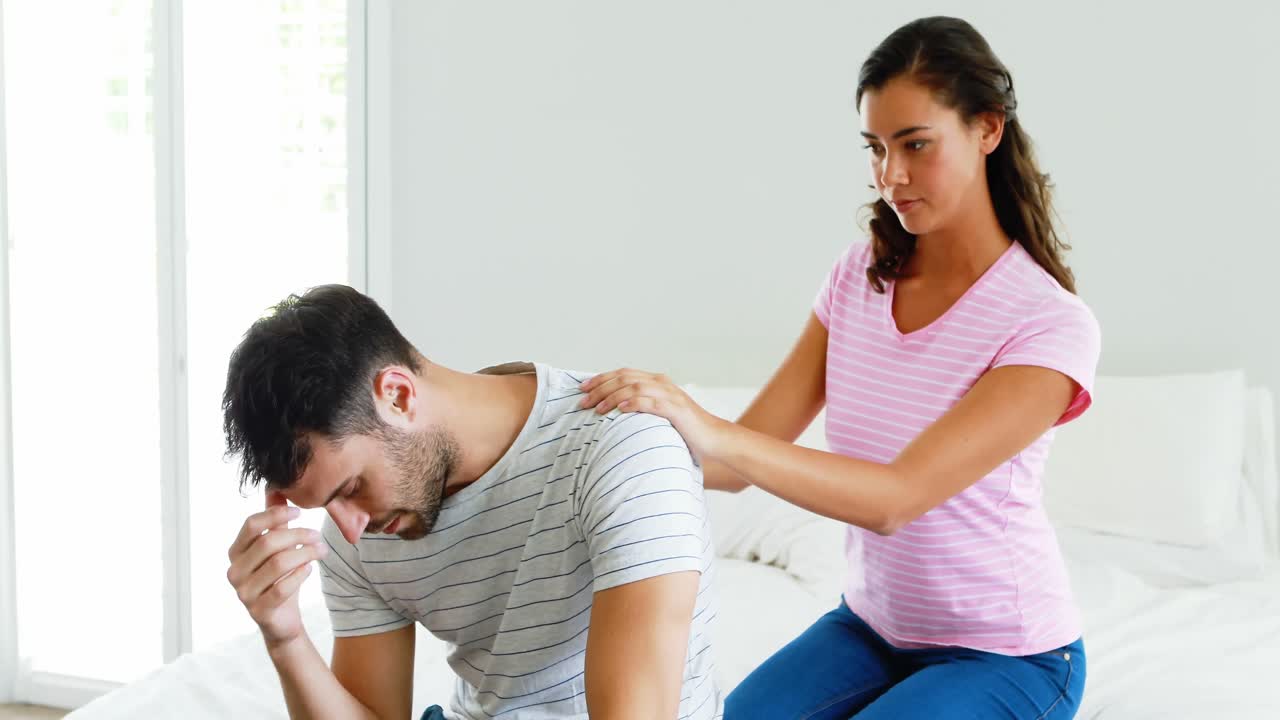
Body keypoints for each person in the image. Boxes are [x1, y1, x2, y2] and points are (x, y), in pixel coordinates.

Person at [578, 16, 1099, 720]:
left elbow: (895, 499)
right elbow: (730, 466)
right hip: (872, 630)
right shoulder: (859, 279)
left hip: (1011, 655)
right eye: (876, 148)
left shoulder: (1048, 322)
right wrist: (603, 425)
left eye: (915, 144)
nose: (891, 176)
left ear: (987, 129)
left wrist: (706, 424)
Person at [220, 284, 722, 720]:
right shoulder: (361, 534)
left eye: (349, 488)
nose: (349, 530)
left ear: (397, 395)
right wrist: (285, 637)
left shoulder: (623, 446)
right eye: (326, 506)